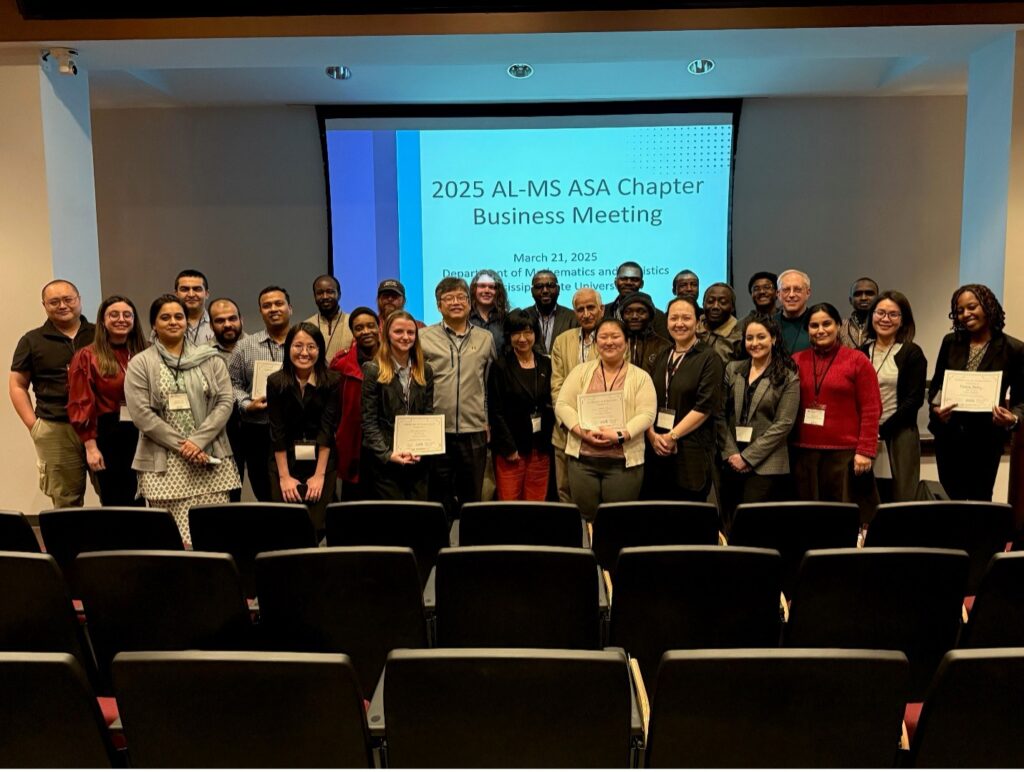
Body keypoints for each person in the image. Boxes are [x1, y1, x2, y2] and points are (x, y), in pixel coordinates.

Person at [125, 295, 239, 542]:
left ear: (187, 322)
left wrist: (198, 442)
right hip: (164, 464)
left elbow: (225, 402)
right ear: (154, 324)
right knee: (172, 540)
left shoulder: (210, 358)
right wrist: (184, 447)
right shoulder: (140, 363)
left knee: (212, 536)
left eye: (179, 317)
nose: (173, 322)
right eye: (165, 317)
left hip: (208, 457)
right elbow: (142, 415)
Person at [928, 284, 1024, 501]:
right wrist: (936, 408)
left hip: (986, 440)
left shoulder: (1013, 348)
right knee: (949, 501)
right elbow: (936, 387)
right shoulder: (950, 342)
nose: (965, 314)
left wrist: (1013, 418)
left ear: (988, 307)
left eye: (972, 307)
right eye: (960, 310)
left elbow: (1022, 400)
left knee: (979, 503)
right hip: (949, 438)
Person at [555, 318, 656, 520]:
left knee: (618, 520)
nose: (609, 342)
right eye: (603, 337)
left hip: (623, 464)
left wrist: (620, 435)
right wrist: (582, 432)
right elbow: (562, 405)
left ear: (626, 342)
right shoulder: (580, 371)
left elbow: (647, 414)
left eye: (615, 336)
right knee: (585, 518)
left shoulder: (641, 377)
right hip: (582, 462)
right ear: (596, 342)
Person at [10, 279, 96, 508]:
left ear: (79, 300)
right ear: (44, 305)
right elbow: (17, 384)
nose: (62, 306)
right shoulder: (32, 340)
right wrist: (34, 426)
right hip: (56, 427)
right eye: (54, 302)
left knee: (114, 492)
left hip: (100, 425)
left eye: (68, 299)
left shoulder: (100, 334)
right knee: (65, 499)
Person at [791, 303, 881, 515]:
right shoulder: (796, 360)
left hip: (844, 455)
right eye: (814, 326)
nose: (820, 330)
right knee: (807, 517)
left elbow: (871, 408)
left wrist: (865, 451)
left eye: (827, 324)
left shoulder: (857, 360)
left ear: (838, 325)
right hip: (803, 453)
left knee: (841, 517)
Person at [421, 277, 497, 517]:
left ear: (469, 302)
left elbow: (489, 384)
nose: (456, 302)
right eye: (448, 298)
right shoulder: (424, 337)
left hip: (473, 430)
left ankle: (469, 541)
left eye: (461, 297)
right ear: (438, 306)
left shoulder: (485, 338)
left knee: (472, 499)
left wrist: (487, 420)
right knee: (437, 500)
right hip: (436, 431)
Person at [716, 314, 800, 531]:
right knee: (728, 524)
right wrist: (732, 453)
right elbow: (720, 414)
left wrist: (747, 458)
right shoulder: (733, 369)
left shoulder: (788, 377)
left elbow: (784, 424)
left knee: (753, 528)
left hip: (766, 464)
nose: (755, 343)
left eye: (761, 337)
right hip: (730, 461)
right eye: (749, 338)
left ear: (774, 339)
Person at [67, 295, 148, 506]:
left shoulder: (147, 352)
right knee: (118, 497)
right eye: (114, 315)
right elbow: (80, 403)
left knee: (150, 495)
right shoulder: (87, 356)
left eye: (127, 315)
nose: (121, 319)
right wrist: (91, 448)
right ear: (103, 321)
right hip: (110, 434)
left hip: (147, 431)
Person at [644, 296, 724, 502]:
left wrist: (673, 436)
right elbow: (648, 400)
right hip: (658, 448)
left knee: (688, 513)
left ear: (698, 322)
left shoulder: (709, 358)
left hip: (691, 451)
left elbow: (705, 407)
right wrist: (652, 435)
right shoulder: (663, 355)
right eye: (674, 318)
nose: (679, 323)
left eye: (686, 318)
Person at [266, 323, 341, 533]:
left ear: (320, 349)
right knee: (287, 524)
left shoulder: (332, 381)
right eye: (298, 346)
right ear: (288, 348)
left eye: (311, 346)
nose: (304, 353)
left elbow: (327, 430)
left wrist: (319, 476)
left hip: (321, 459)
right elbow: (277, 432)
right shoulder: (275, 382)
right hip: (284, 459)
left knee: (316, 525)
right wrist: (284, 477)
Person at [860, 291, 926, 502]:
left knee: (903, 496)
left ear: (902, 320)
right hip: (865, 433)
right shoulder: (860, 352)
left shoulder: (912, 353)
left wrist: (882, 429)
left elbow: (914, 400)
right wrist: (870, 430)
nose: (885, 319)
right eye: (880, 313)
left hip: (900, 432)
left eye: (893, 314)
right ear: (872, 315)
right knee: (865, 494)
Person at [361, 310, 434, 500]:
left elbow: (427, 414)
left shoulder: (425, 370)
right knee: (393, 516)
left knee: (419, 513)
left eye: (410, 332)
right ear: (387, 334)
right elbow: (369, 421)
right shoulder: (373, 370)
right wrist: (387, 455)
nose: (405, 337)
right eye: (398, 331)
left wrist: (421, 449)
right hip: (385, 462)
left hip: (417, 460)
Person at [228, 286, 292, 501]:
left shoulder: (303, 344)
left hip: (295, 429)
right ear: (261, 311)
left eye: (278, 303)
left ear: (290, 308)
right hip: (257, 430)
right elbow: (232, 384)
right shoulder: (244, 347)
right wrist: (246, 404)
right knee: (264, 492)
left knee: (295, 491)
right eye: (267, 305)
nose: (273, 309)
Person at [488, 310, 554, 501]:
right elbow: (495, 411)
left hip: (540, 448)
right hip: (511, 450)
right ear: (509, 336)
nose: (523, 338)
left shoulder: (545, 363)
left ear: (535, 333)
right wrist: (509, 448)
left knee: (536, 503)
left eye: (528, 332)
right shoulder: (500, 366)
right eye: (516, 333)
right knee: (510, 505)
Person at [550, 287, 603, 503]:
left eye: (591, 307)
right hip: (565, 431)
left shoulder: (612, 339)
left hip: (600, 432)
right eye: (580, 309)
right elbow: (556, 386)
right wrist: (570, 423)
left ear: (601, 309)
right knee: (565, 491)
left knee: (595, 495)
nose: (586, 314)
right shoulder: (562, 341)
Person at [328, 306, 381, 500]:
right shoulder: (340, 365)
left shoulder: (393, 360)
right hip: (353, 443)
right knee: (353, 503)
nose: (366, 331)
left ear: (379, 327)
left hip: (384, 443)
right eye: (359, 328)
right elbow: (333, 408)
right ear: (353, 332)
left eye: (370, 326)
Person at [209, 297, 245, 501]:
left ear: (241, 319)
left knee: (266, 488)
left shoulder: (256, 346)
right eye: (220, 320)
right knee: (229, 493)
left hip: (259, 427)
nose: (228, 324)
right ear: (211, 325)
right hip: (223, 430)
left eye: (232, 318)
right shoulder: (202, 354)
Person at [605, 261, 668, 338]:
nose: (628, 283)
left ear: (641, 284)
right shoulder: (603, 312)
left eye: (634, 279)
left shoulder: (658, 316)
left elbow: (663, 343)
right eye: (624, 279)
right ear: (615, 282)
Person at [523, 270, 578, 354]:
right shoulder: (523, 316)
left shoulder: (573, 317)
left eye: (550, 285)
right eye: (539, 286)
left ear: (558, 289)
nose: (545, 290)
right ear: (532, 291)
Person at [620, 291, 671, 374]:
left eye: (641, 312)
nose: (634, 316)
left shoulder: (664, 347)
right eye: (628, 312)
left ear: (651, 315)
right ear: (622, 316)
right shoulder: (616, 344)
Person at [305, 274, 352, 363]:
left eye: (330, 292)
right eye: (320, 293)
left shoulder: (352, 322)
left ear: (339, 295)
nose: (325, 297)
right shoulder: (306, 326)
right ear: (314, 296)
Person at [697, 282, 742, 363]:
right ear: (703, 304)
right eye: (710, 301)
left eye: (723, 302)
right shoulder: (692, 329)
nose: (715, 306)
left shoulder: (741, 336)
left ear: (732, 307)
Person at [469, 268, 510, 351]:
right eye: (482, 286)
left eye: (491, 287)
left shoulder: (507, 319)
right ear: (474, 289)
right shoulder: (464, 319)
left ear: (498, 291)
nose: (487, 290)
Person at [775, 268, 814, 354]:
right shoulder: (769, 325)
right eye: (786, 290)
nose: (791, 295)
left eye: (797, 289)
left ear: (808, 293)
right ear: (778, 294)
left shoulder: (817, 323)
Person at [174, 269, 216, 346]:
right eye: (185, 289)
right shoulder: (166, 324)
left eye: (197, 289)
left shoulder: (218, 323)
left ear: (206, 294)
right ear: (176, 294)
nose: (191, 294)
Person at [839, 277, 879, 349]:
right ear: (850, 300)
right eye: (857, 294)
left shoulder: (885, 326)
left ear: (878, 299)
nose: (863, 298)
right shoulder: (840, 327)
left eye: (869, 293)